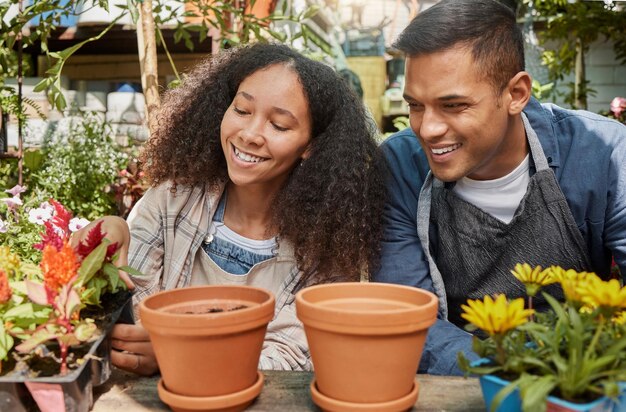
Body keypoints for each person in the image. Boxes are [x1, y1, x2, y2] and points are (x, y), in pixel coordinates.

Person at [79, 43, 387, 376]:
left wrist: (179, 356)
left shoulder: (327, 249)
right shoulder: (172, 199)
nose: (251, 134)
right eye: (241, 110)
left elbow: (295, 359)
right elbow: (131, 304)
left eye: (279, 126)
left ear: (311, 145)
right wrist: (111, 238)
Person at [374, 0, 626, 375]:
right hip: (460, 381)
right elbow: (406, 315)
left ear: (516, 94)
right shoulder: (400, 166)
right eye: (415, 105)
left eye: (454, 105)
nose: (426, 129)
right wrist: (509, 374)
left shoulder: (602, 153)